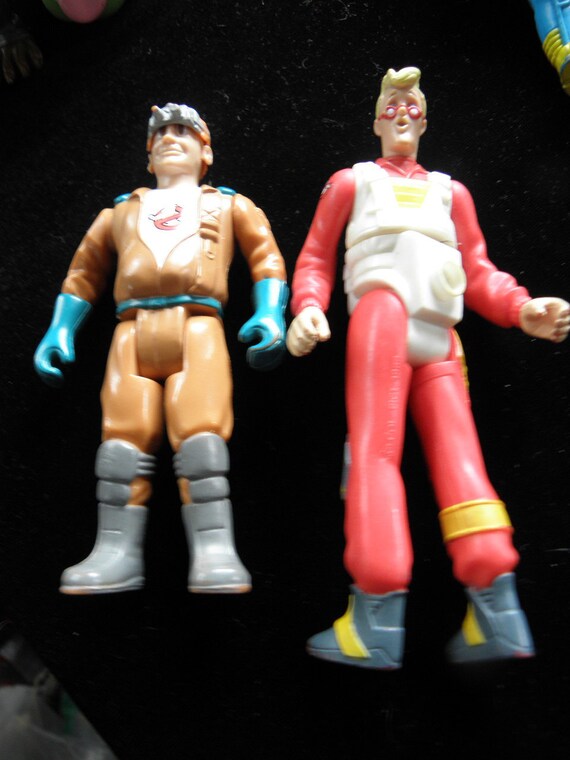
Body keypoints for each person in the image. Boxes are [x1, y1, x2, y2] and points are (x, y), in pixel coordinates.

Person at [287, 67, 570, 668]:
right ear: (375, 121)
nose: (401, 114)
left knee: (459, 458)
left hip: (441, 332)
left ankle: (492, 606)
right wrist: (308, 306)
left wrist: (521, 307)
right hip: (382, 315)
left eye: (411, 106)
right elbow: (315, 258)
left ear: (425, 121)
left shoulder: (451, 193)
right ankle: (383, 608)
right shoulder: (352, 182)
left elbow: (480, 271)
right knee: (375, 453)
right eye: (391, 106)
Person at [35, 103, 288, 595]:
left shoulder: (230, 205)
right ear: (148, 156)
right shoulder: (120, 213)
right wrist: (59, 329)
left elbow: (266, 259)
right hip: (130, 330)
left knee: (201, 438)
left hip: (198, 326)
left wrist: (270, 313)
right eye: (162, 134)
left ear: (206, 152)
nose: (172, 138)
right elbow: (83, 274)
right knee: (120, 444)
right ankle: (115, 551)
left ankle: (214, 548)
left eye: (184, 132)